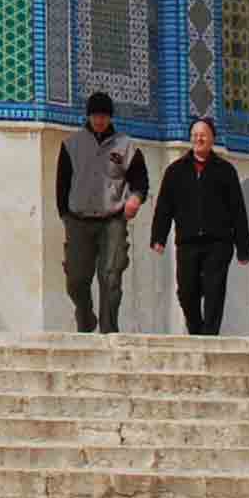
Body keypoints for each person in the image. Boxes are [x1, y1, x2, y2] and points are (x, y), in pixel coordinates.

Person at [149, 113, 249, 335]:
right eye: (195, 135)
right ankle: (196, 331)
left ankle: (210, 336)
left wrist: (244, 249)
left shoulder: (226, 171)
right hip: (188, 242)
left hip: (218, 243)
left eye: (203, 135)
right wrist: (158, 237)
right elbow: (164, 207)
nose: (198, 139)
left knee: (214, 290)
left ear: (212, 139)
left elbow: (238, 211)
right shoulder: (175, 171)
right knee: (186, 291)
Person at [53, 90, 148, 332]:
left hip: (112, 221)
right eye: (95, 116)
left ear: (110, 117)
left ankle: (108, 331)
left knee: (111, 277)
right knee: (75, 279)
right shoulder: (71, 144)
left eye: (104, 116)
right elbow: (62, 183)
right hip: (78, 221)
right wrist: (65, 215)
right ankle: (85, 316)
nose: (99, 121)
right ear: (88, 116)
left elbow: (140, 180)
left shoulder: (126, 146)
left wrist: (135, 198)